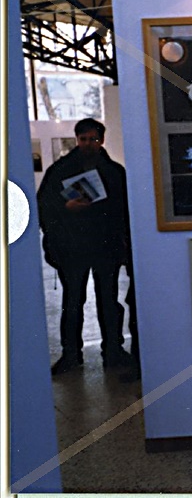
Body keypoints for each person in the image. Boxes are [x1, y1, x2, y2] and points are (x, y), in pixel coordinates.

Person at [38, 118, 134, 375]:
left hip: (105, 246)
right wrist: (65, 208)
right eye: (84, 139)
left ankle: (113, 350)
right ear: (76, 139)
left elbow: (124, 209)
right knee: (72, 301)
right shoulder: (59, 171)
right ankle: (71, 354)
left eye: (94, 139)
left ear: (102, 140)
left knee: (108, 300)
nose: (89, 144)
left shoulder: (114, 172)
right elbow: (44, 205)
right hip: (72, 247)